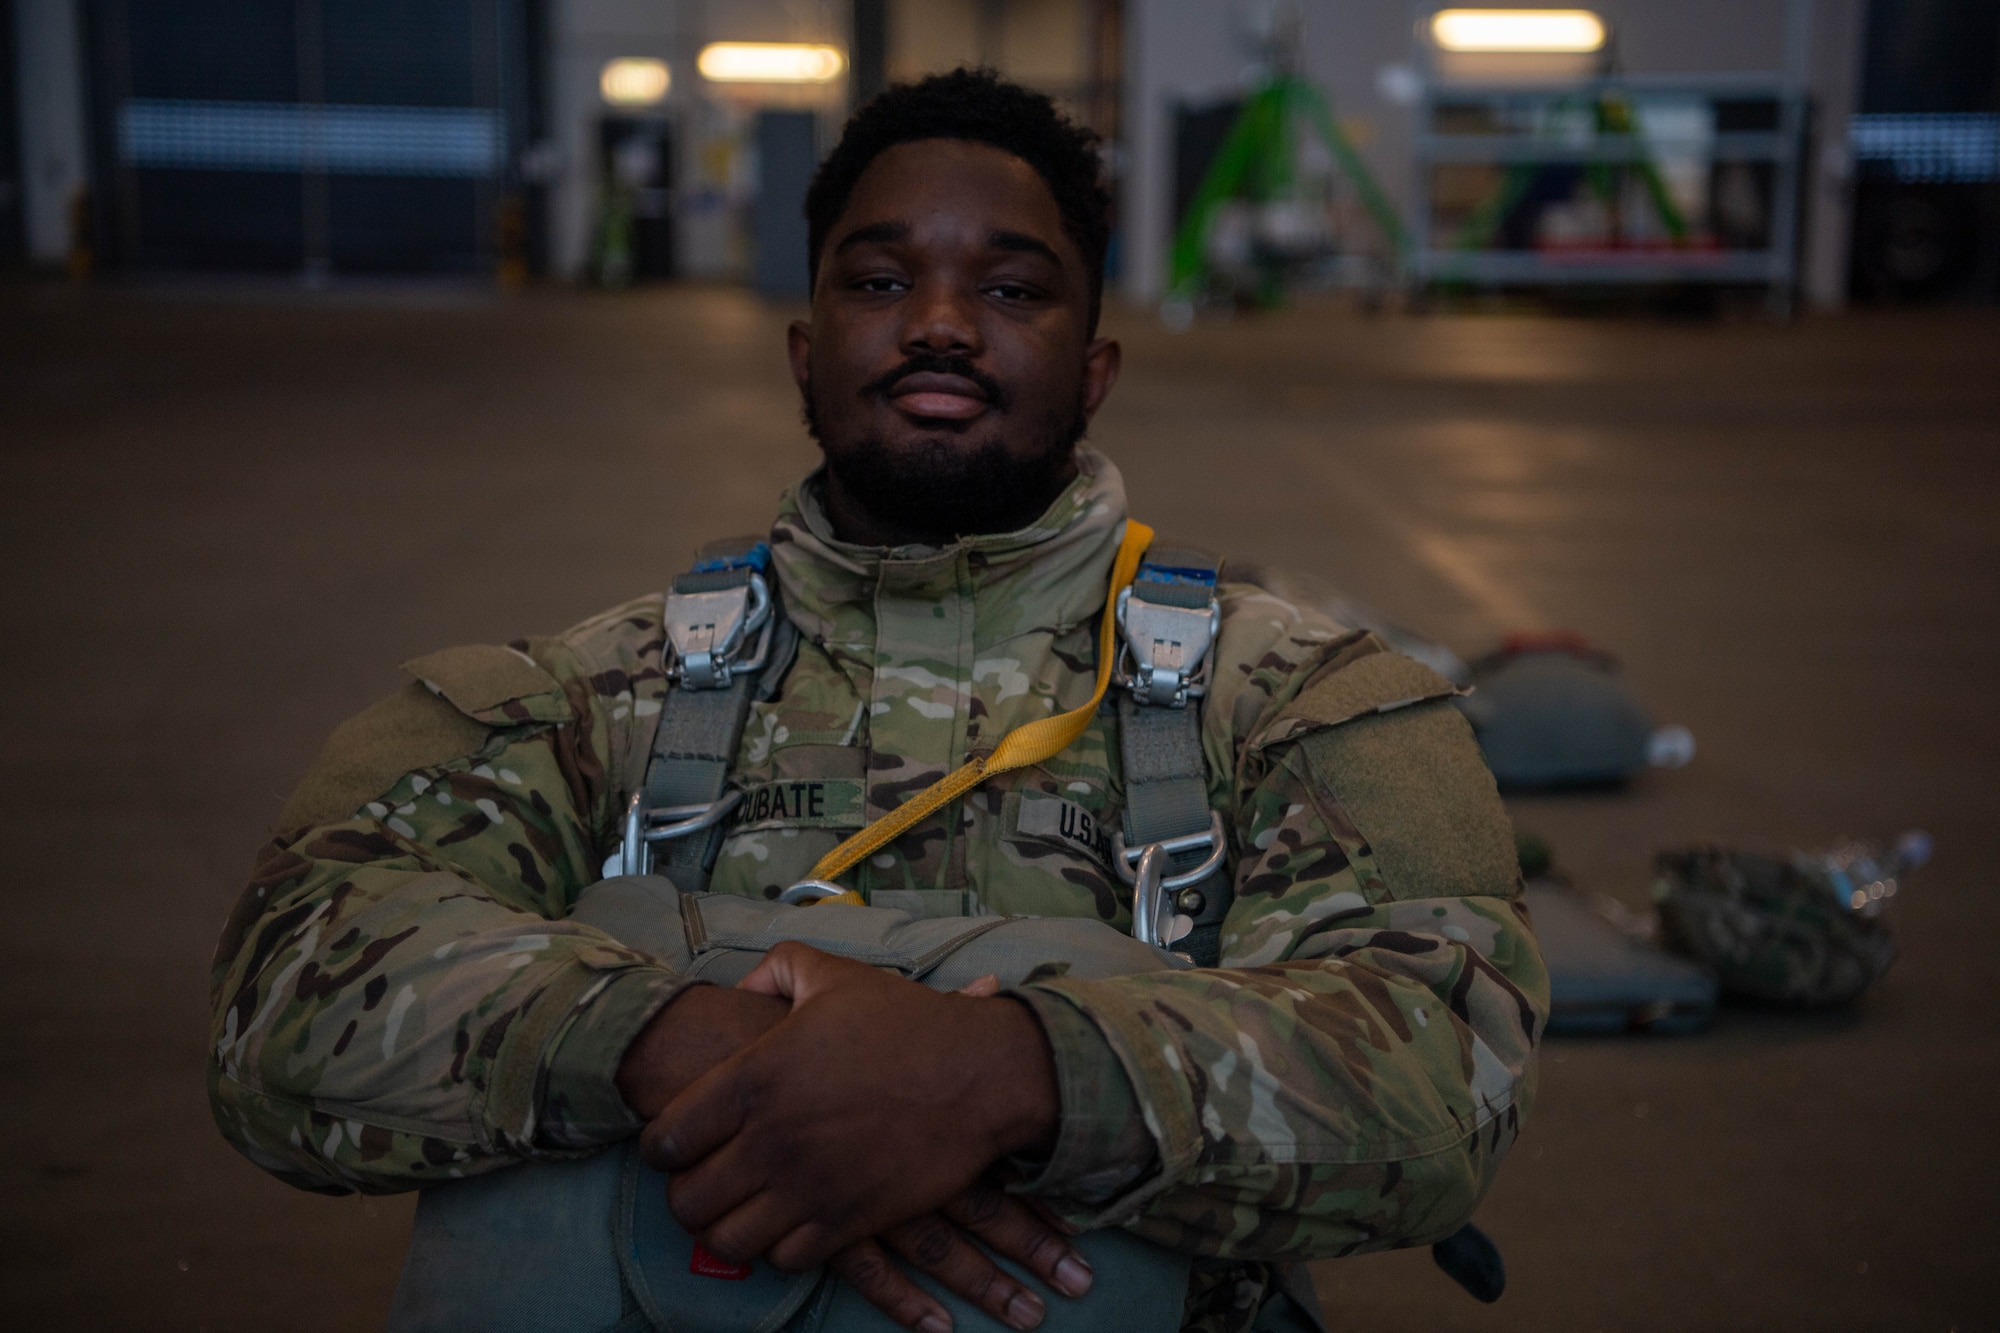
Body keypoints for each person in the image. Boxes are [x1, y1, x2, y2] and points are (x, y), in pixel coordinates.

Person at [208, 69, 1546, 1333]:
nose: (942, 322)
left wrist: (1005, 1077)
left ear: (1094, 369)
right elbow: (285, 983)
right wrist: (691, 1049)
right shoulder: (595, 695)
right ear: (806, 349)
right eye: (882, 277)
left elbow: (1453, 1060)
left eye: (1013, 286)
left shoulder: (1291, 704)